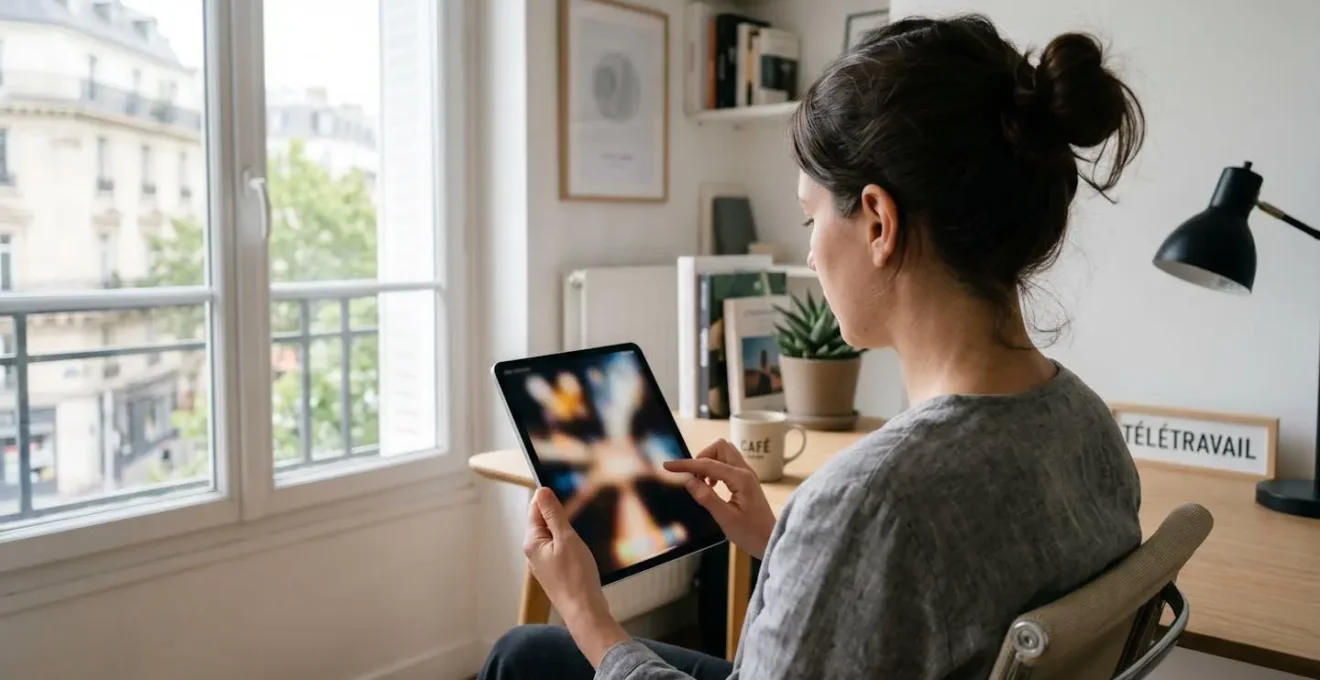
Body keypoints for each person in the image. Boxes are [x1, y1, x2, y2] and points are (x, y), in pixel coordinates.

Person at [480, 13, 1145, 680]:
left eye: (811, 216)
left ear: (879, 223)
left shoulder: (870, 501)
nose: (809, 251)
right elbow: (945, 601)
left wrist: (586, 613)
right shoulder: (1089, 425)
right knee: (525, 653)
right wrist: (784, 542)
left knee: (522, 656)